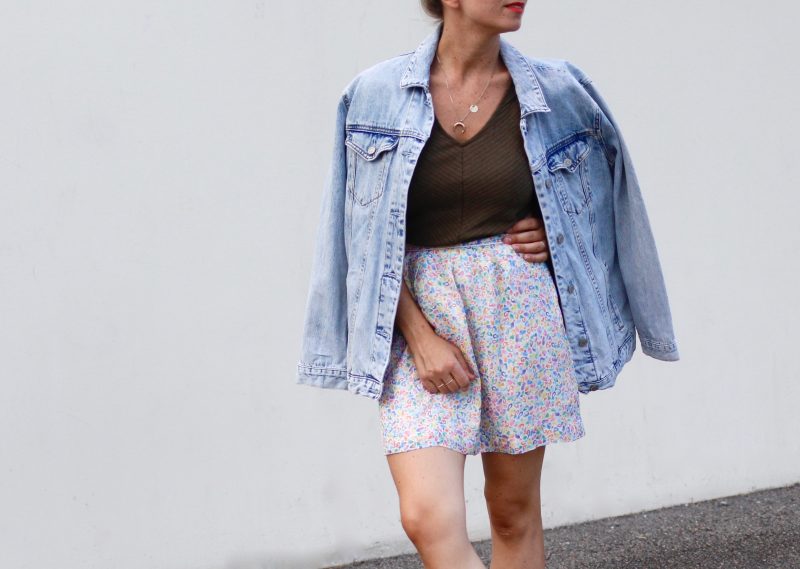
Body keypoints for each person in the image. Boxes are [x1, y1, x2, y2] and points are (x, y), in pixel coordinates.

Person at [296, 1, 680, 567]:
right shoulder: (374, 94)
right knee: (426, 516)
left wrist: (554, 231)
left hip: (518, 306)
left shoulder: (557, 91)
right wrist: (419, 336)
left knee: (512, 513)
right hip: (417, 313)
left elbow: (603, 202)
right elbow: (361, 240)